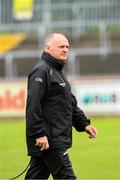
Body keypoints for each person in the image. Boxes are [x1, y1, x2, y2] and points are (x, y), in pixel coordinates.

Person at [25, 33, 97, 179]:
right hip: (50, 140)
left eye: (67, 47)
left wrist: (84, 124)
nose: (65, 50)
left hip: (52, 140)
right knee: (67, 177)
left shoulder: (57, 72)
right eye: (61, 46)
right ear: (47, 48)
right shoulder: (42, 70)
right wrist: (39, 134)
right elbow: (33, 105)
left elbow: (69, 103)